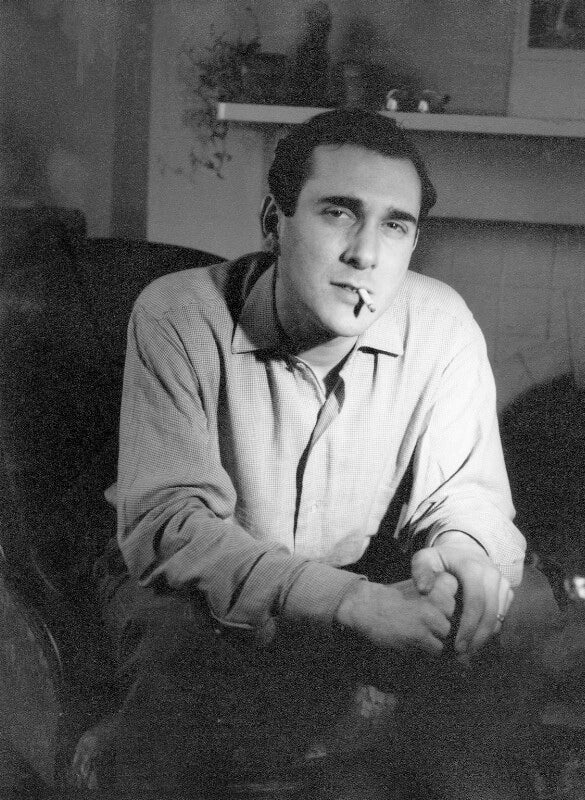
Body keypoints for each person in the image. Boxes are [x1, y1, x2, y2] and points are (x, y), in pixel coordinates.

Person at [97, 108, 558, 799]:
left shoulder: (441, 324)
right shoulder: (179, 314)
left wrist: (464, 554)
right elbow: (173, 526)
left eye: (395, 226)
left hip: (360, 571)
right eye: (339, 213)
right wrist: (352, 604)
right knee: (181, 642)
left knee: (522, 608)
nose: (365, 254)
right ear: (273, 221)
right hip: (197, 582)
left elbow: (468, 495)